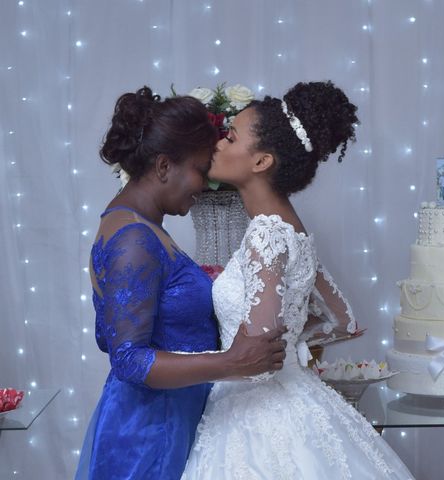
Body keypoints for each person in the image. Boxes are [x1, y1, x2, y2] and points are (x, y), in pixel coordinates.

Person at [181, 81, 414, 479]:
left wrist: (172, 364)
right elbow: (343, 321)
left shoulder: (266, 234)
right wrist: (292, 343)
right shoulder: (295, 231)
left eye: (231, 136)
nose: (218, 143)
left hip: (256, 418)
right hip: (297, 398)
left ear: (261, 162)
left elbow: (256, 360)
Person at [75, 87, 287, 480]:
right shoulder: (134, 239)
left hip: (164, 421)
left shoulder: (140, 227)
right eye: (199, 169)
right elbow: (126, 358)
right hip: (148, 437)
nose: (204, 184)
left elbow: (115, 330)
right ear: (162, 166)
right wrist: (231, 363)